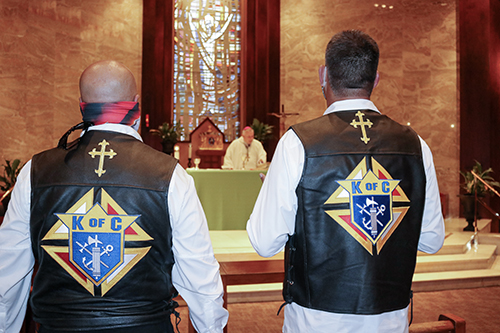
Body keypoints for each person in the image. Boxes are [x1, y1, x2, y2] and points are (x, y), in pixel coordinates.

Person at [0, 60, 228, 333]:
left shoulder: (35, 172)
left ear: (82, 105)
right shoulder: (170, 176)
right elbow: (200, 277)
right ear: (135, 105)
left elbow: (7, 276)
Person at [247, 30, 445, 333]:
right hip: (389, 318)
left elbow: (264, 242)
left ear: (323, 75)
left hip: (315, 319)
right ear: (376, 79)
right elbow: (431, 241)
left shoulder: (297, 144)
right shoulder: (415, 146)